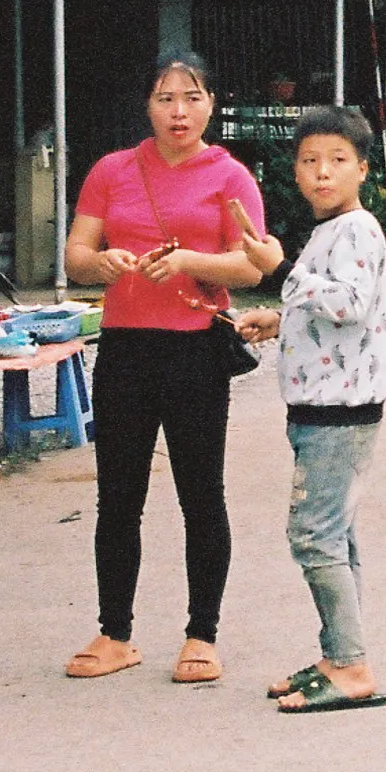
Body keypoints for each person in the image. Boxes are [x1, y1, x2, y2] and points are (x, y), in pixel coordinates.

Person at [66, 51, 277, 685]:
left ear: (211, 104)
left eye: (191, 97)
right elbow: (78, 251)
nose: (178, 111)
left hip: (194, 349)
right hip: (125, 346)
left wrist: (187, 261)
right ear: (147, 106)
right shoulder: (112, 170)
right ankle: (114, 633)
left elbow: (252, 267)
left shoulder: (231, 176)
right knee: (117, 498)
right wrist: (101, 265)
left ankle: (202, 633)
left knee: (200, 495)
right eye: (164, 98)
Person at [244, 105, 386, 716]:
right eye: (309, 161)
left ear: (362, 168)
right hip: (324, 406)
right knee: (338, 536)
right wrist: (278, 322)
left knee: (315, 536)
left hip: (339, 412)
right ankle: (337, 654)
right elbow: (333, 309)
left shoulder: (356, 228)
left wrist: (278, 269)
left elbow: (351, 304)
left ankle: (352, 666)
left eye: (336, 161)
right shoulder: (332, 231)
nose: (321, 173)